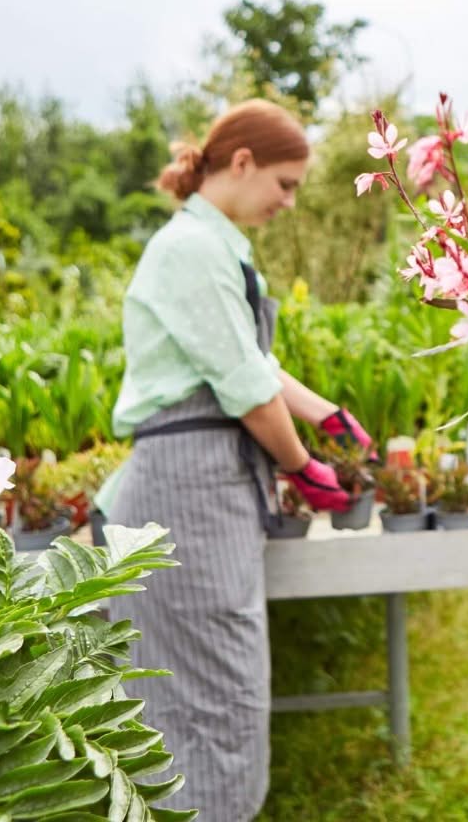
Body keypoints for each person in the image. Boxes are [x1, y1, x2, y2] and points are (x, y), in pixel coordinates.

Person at [101, 99, 374, 822]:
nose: (288, 203)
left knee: (218, 687)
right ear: (242, 161)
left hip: (204, 480)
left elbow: (252, 363)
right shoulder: (190, 248)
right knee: (206, 694)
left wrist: (327, 417)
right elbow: (248, 391)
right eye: (284, 184)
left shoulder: (215, 244)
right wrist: (300, 466)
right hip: (186, 487)